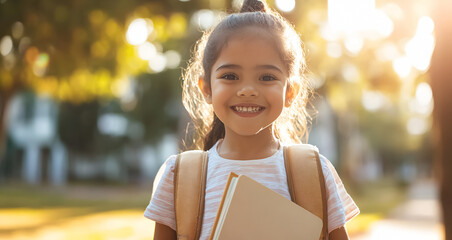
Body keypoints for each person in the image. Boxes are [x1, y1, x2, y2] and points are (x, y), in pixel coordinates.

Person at [144, 0, 359, 239]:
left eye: (266, 77)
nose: (247, 89)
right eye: (230, 75)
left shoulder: (315, 172)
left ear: (290, 92)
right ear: (206, 88)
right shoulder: (179, 177)